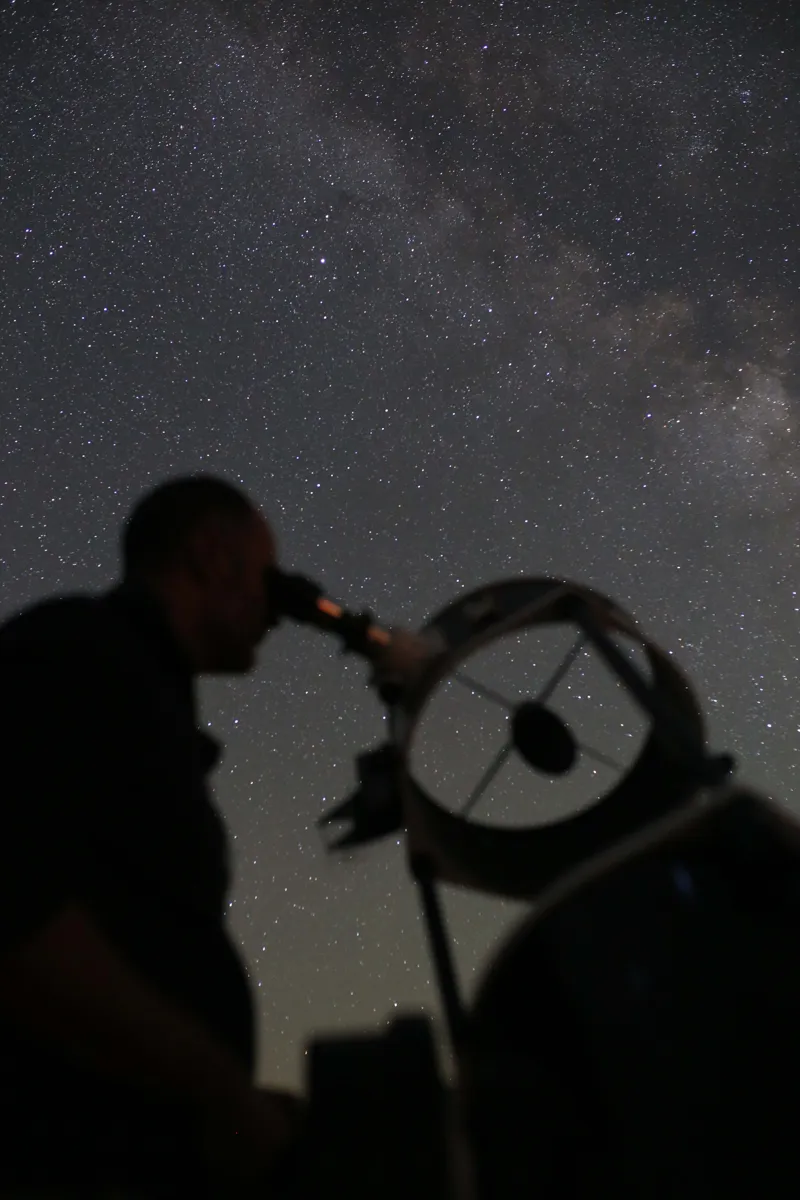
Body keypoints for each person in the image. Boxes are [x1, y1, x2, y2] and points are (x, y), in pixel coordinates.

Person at [0, 475, 427, 1198]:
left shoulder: (135, 687)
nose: (277, 608)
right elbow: (14, 902)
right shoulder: (79, 649)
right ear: (210, 556)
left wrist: (230, 1106)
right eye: (266, 576)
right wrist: (218, 1092)